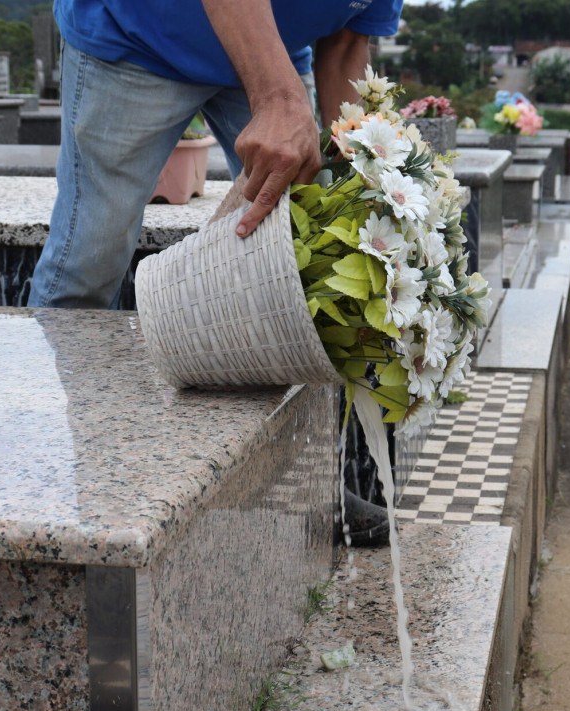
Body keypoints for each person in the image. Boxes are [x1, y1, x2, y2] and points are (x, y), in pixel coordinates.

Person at [28, 0, 401, 545]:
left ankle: (305, 484)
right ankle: (52, 472)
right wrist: (277, 96)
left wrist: (367, 176)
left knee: (309, 262)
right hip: (138, 37)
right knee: (90, 259)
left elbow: (346, 40)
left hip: (263, 47)